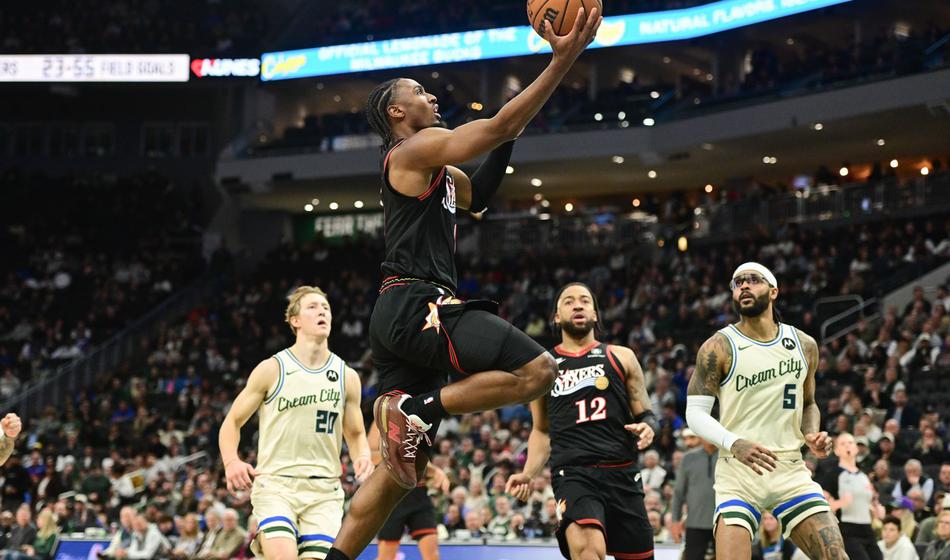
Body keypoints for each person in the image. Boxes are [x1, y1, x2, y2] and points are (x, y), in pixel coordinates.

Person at [323, 9, 603, 560]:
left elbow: (481, 193)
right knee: (539, 370)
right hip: (417, 303)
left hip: (399, 310)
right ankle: (422, 406)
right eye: (421, 93)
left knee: (401, 474)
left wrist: (509, 134)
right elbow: (495, 126)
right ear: (397, 111)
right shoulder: (412, 150)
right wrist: (562, 60)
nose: (433, 98)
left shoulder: (439, 171)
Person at [685, 262, 846, 559]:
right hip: (738, 470)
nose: (744, 286)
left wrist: (811, 434)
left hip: (789, 468)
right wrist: (735, 443)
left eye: (753, 280)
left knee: (835, 555)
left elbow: (808, 403)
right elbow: (694, 415)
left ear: (773, 291)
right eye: (737, 282)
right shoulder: (718, 346)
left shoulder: (804, 344)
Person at [219, 286, 373, 559]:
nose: (322, 311)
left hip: (324, 490)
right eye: (313, 307)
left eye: (325, 307)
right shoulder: (273, 368)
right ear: (295, 321)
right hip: (277, 484)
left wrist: (362, 456)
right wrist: (231, 461)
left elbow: (356, 432)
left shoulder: (346, 376)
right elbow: (232, 422)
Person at [506, 282, 656, 560]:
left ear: (596, 315)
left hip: (622, 474)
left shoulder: (621, 356)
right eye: (569, 301)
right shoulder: (543, 366)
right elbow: (541, 430)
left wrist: (649, 427)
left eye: (585, 301)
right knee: (588, 550)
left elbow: (646, 413)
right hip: (574, 474)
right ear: (557, 317)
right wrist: (528, 473)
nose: (578, 305)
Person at [369, 423, 450, 560]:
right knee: (386, 556)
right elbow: (370, 455)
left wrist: (435, 471)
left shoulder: (419, 412)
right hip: (392, 493)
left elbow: (417, 456)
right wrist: (399, 455)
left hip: (418, 492)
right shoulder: (383, 411)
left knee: (432, 555)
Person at [821, 432, 883, 560]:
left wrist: (876, 508)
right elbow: (823, 507)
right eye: (843, 444)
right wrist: (840, 503)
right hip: (848, 530)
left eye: (850, 443)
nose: (847, 446)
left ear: (856, 448)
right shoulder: (833, 475)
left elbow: (869, 502)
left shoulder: (864, 476)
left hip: (867, 528)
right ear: (837, 451)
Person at [672, 435, 718, 560]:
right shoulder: (688, 458)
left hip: (722, 523)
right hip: (694, 523)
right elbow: (678, 492)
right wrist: (675, 521)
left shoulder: (727, 457)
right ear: (700, 436)